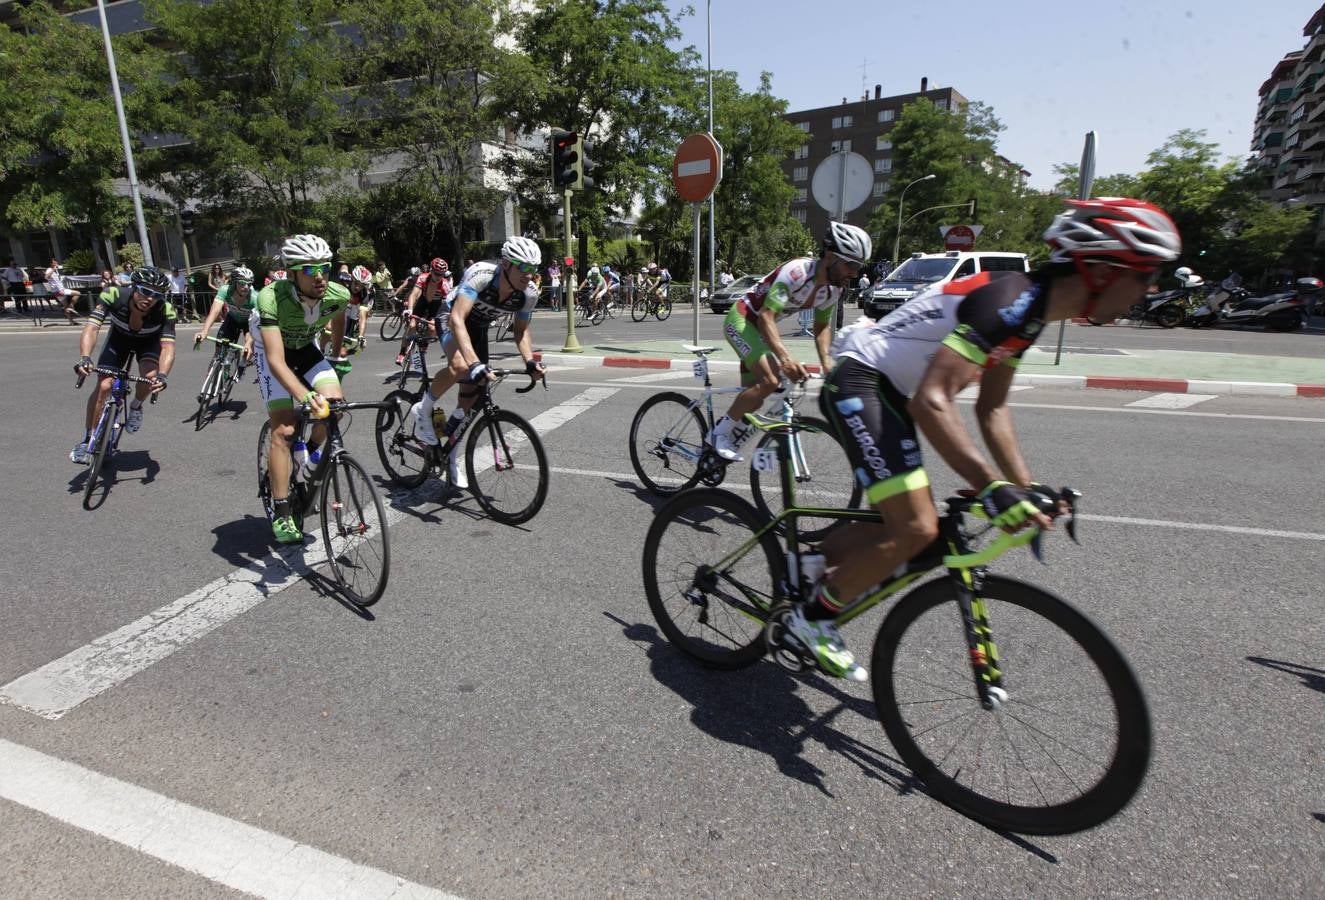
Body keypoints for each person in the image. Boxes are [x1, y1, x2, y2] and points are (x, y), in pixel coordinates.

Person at [794, 198, 1182, 679]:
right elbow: (934, 399)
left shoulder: (1033, 312)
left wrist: (1025, 487)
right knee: (917, 528)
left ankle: (807, 565)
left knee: (896, 524)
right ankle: (812, 617)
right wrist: (992, 487)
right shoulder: (1011, 302)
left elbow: (992, 407)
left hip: (888, 388)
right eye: (1146, 274)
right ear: (1101, 270)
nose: (1153, 287)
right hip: (861, 381)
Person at [709, 221, 872, 462]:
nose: (854, 273)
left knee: (754, 398)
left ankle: (713, 454)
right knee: (770, 380)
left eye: (859, 267)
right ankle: (717, 435)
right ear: (829, 255)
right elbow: (765, 317)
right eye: (851, 265)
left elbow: (821, 327)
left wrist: (826, 361)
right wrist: (785, 358)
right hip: (743, 320)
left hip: (762, 332)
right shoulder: (797, 272)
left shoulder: (834, 290)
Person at [407, 237, 546, 488]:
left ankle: (449, 457)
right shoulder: (482, 274)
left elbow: (521, 331)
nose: (530, 275)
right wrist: (474, 364)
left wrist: (529, 361)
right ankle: (423, 408)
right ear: (506, 264)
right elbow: (458, 319)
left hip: (478, 329)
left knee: (471, 396)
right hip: (450, 317)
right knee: (461, 365)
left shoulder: (528, 294)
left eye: (534, 269)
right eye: (524, 267)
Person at [251, 234, 349, 543]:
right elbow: (276, 360)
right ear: (292, 273)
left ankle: (310, 460)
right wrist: (305, 395)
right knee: (284, 429)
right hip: (274, 353)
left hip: (306, 348)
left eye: (324, 267)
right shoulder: (270, 297)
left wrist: (336, 353)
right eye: (309, 270)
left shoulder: (338, 294)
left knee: (336, 407)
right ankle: (282, 513)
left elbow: (340, 317)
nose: (319, 276)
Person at [70, 266, 176, 462]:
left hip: (148, 342)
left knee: (150, 377)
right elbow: (92, 328)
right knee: (104, 385)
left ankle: (136, 407)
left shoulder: (166, 310)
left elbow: (168, 347)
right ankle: (87, 440)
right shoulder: (113, 294)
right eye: (145, 291)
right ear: (134, 287)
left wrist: (163, 375)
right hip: (118, 340)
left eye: (157, 295)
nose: (150, 298)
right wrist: (85, 357)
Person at [193, 265, 256, 383]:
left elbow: (257, 324)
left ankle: (242, 365)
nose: (246, 287)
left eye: (249, 284)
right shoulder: (225, 290)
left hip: (248, 323)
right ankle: (208, 383)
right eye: (242, 283)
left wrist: (248, 343)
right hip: (232, 319)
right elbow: (215, 311)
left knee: (248, 348)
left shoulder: (254, 298)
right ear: (235, 282)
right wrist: (204, 331)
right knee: (218, 352)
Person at [397, 257, 452, 364]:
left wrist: (442, 320)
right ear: (431, 271)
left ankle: (424, 345)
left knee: (432, 329)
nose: (438, 277)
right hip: (422, 302)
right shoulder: (423, 277)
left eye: (441, 274)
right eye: (436, 273)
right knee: (412, 326)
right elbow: (413, 294)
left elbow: (446, 305)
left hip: (436, 306)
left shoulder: (445, 285)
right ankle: (402, 352)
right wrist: (410, 310)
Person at [44, 258, 80, 324]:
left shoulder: (56, 270)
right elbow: (46, 277)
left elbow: (62, 267)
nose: (56, 263)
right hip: (59, 291)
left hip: (58, 291)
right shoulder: (49, 269)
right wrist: (53, 270)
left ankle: (71, 321)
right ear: (51, 264)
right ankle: (71, 306)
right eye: (54, 263)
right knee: (78, 293)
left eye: (56, 262)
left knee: (66, 306)